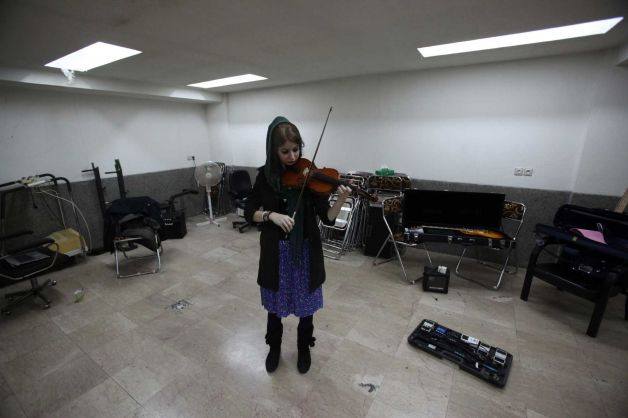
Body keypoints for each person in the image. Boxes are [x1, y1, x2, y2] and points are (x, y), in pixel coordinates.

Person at [244, 116, 352, 374]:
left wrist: (340, 200)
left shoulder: (309, 175)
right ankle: (274, 347)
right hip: (276, 252)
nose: (292, 156)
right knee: (274, 307)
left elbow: (328, 218)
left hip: (304, 251)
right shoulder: (264, 177)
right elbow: (248, 212)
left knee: (306, 307)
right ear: (273, 151)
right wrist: (270, 215)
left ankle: (304, 348)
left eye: (296, 149)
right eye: (285, 151)